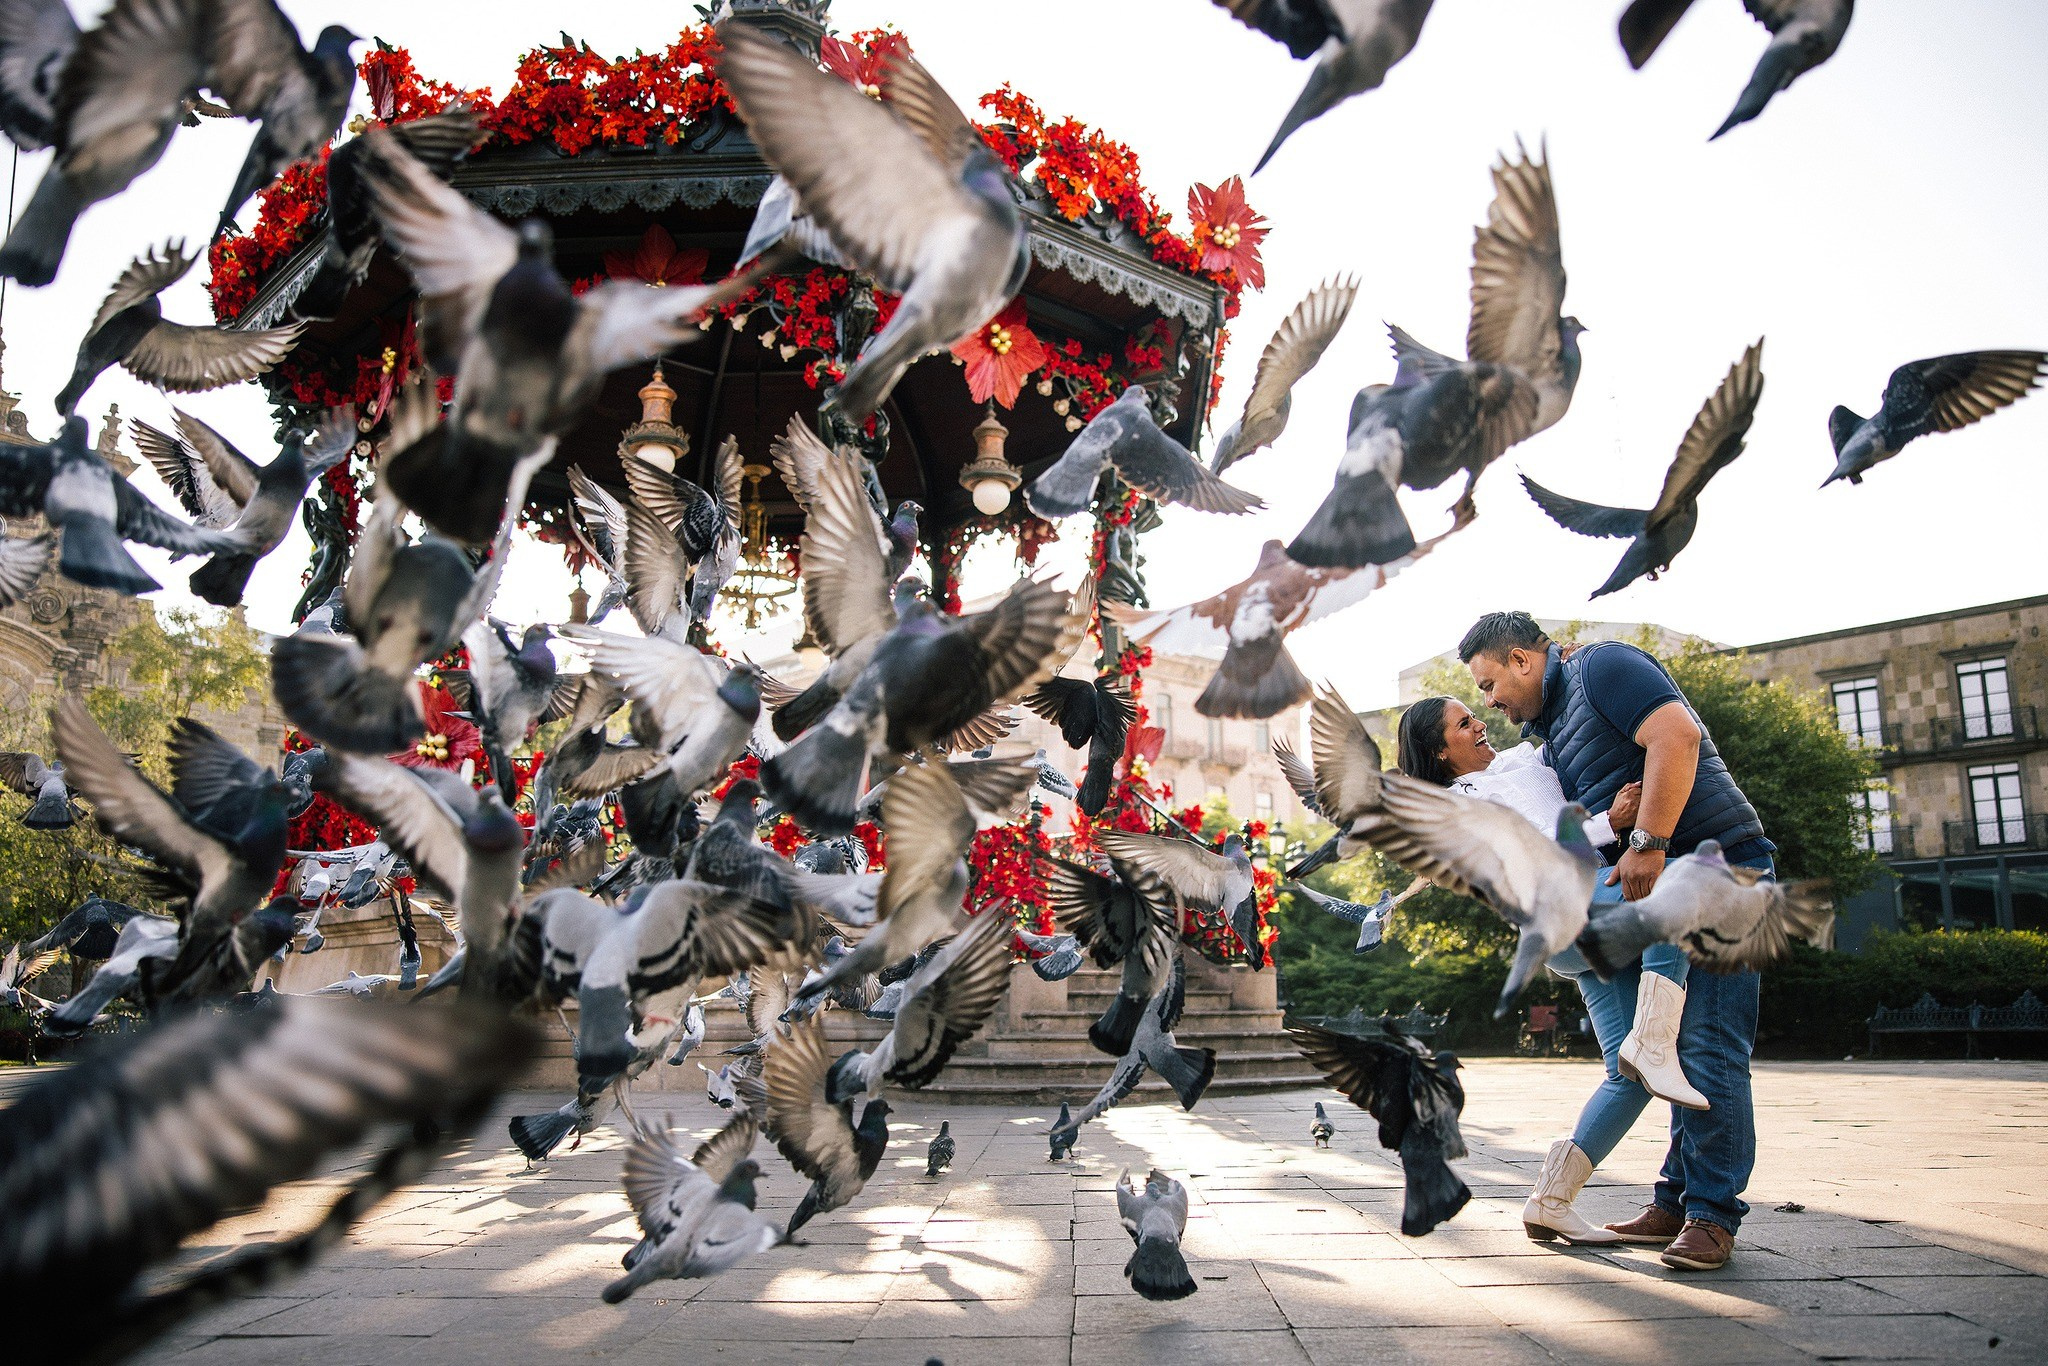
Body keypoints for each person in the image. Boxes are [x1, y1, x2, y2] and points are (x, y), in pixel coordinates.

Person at [1456, 612, 1775, 1272]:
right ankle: (1677, 1198)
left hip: (1717, 868)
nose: (1490, 702)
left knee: (1710, 1042)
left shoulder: (1602, 667)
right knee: (1678, 1050)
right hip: (1663, 890)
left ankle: (1713, 1215)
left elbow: (1676, 737)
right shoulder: (1549, 731)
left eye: (1490, 684)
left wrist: (1647, 841)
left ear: (1522, 660)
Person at [1395, 695, 1703, 1251]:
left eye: (1476, 711)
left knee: (1626, 1076)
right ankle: (1657, 1041)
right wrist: (1617, 821)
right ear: (1441, 753)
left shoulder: (1519, 762)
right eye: (1464, 724)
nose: (1479, 722)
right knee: (1682, 882)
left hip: (1581, 924)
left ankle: (1551, 1202)